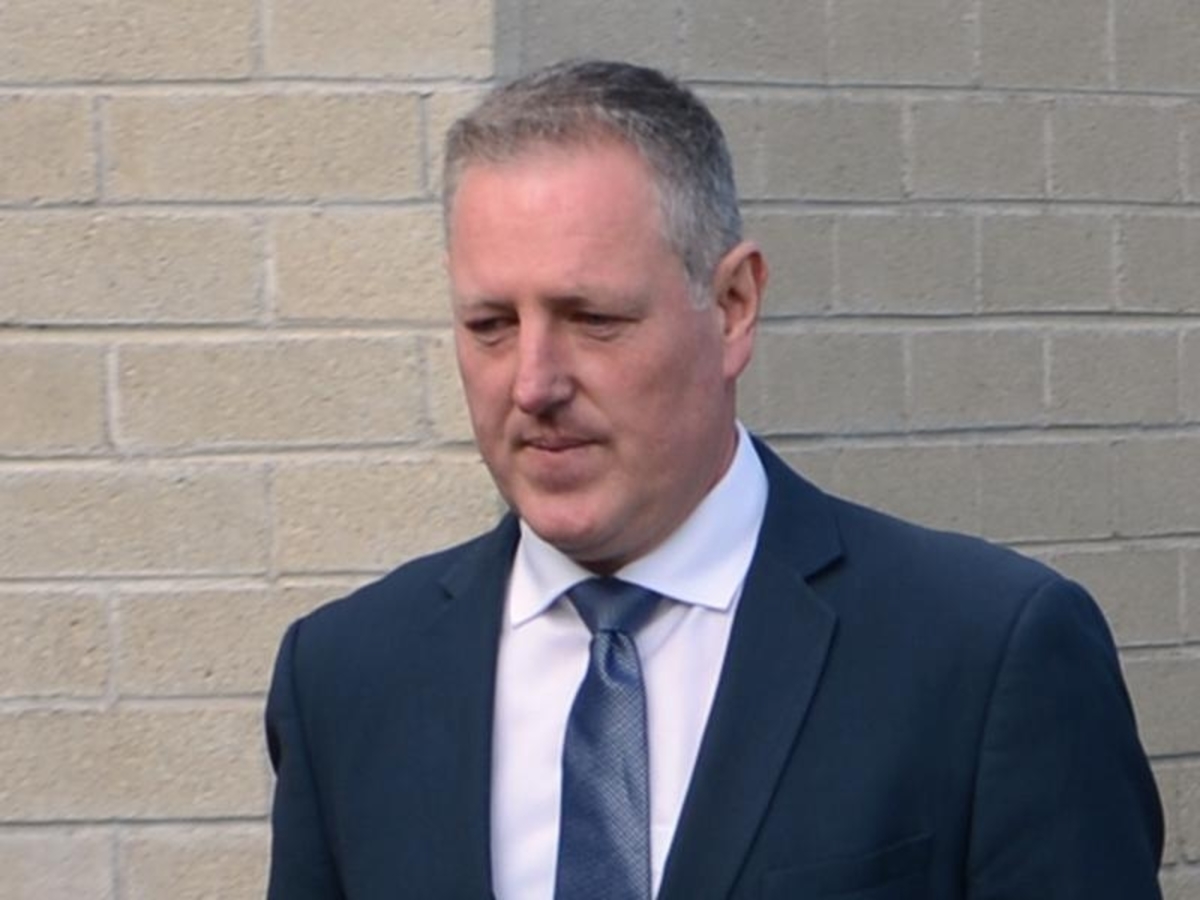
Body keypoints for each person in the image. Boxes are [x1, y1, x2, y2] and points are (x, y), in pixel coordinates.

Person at [264, 60, 1163, 899]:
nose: (533, 383)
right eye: (491, 324)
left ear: (733, 307)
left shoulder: (984, 653)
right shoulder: (345, 678)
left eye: (593, 318)